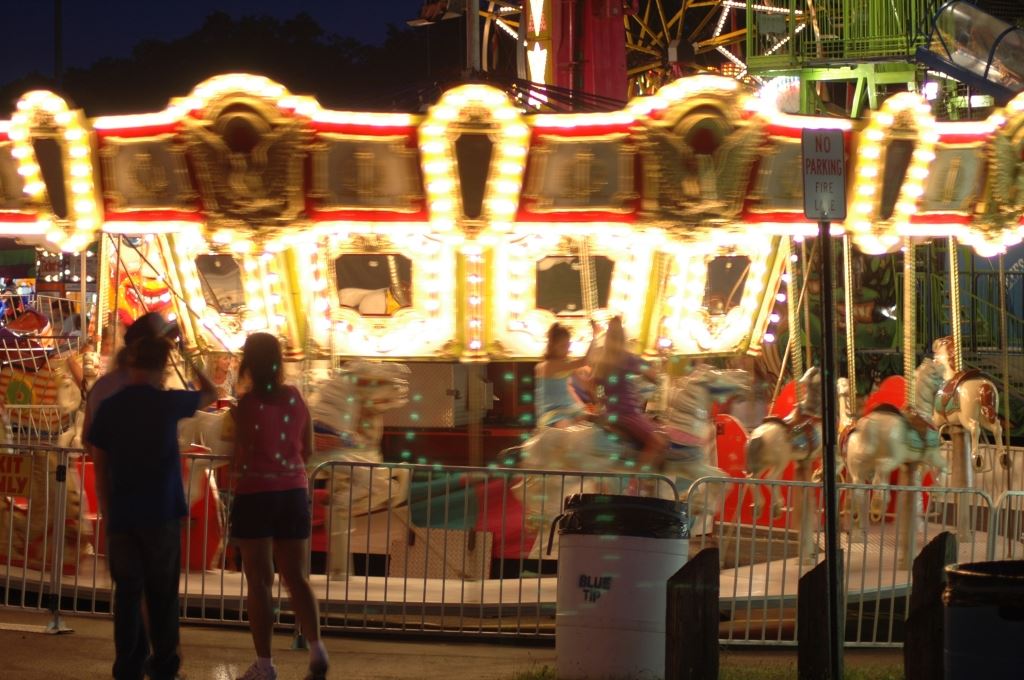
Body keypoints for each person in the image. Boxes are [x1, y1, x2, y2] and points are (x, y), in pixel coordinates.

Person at [87, 334, 217, 680]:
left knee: (128, 595)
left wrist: (107, 509)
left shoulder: (111, 407)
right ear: (162, 367)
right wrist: (190, 358)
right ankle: (164, 664)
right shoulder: (167, 403)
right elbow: (212, 392)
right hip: (161, 511)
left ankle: (127, 666)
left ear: (131, 363)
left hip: (123, 512)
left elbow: (100, 463)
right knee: (162, 594)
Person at [230, 333, 327, 680]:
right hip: (292, 492)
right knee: (297, 577)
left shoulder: (247, 406)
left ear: (248, 363)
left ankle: (265, 664)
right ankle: (317, 649)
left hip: (256, 494)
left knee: (259, 582)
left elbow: (241, 455)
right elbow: (308, 449)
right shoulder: (295, 399)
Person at [590, 316, 667, 472]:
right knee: (658, 442)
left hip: (612, 413)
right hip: (628, 413)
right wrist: (656, 372)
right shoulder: (627, 358)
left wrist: (600, 401)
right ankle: (637, 480)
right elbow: (653, 376)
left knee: (657, 428)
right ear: (622, 337)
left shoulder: (603, 359)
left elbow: (592, 383)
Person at [534, 322, 595, 428]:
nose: (567, 349)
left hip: (568, 409)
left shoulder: (563, 365)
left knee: (593, 423)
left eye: (568, 345)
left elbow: (572, 387)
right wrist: (595, 336)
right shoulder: (550, 365)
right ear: (553, 347)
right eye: (563, 346)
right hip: (552, 413)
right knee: (566, 429)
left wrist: (583, 407)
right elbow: (585, 361)